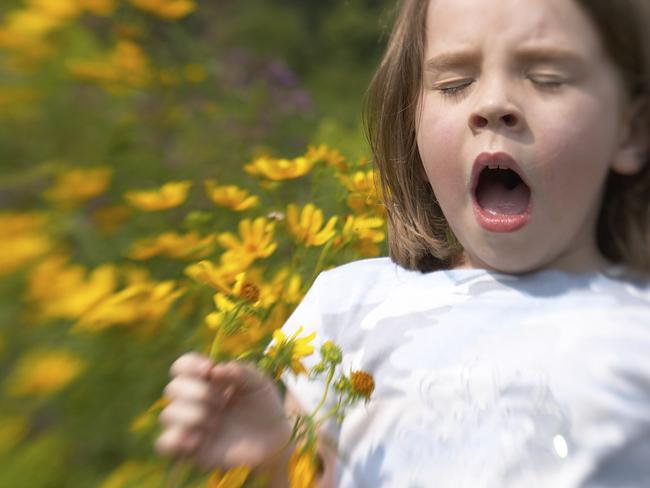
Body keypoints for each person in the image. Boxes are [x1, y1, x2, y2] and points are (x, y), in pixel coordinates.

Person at [155, 0, 650, 486]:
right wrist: (273, 462)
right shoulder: (350, 306)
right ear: (411, 118)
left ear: (631, 130)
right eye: (454, 83)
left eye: (547, 79)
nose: (493, 105)